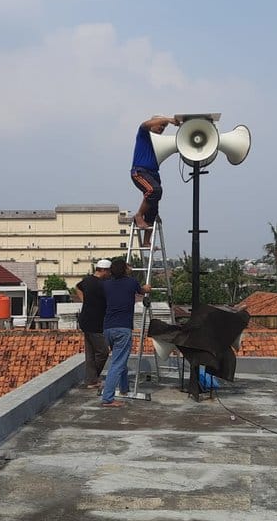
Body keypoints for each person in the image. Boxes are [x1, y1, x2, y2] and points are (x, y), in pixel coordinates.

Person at [99, 258, 151, 407]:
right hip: (123, 328)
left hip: (107, 328)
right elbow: (142, 290)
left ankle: (123, 388)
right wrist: (147, 288)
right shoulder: (131, 282)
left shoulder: (106, 285)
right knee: (117, 363)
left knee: (119, 359)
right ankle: (108, 398)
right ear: (124, 270)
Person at [131, 115, 179, 246]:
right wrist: (168, 120)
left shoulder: (159, 141)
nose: (162, 128)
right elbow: (144, 124)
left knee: (153, 208)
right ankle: (139, 215)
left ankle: (146, 241)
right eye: (160, 125)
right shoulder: (144, 134)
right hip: (140, 171)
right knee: (154, 190)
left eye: (164, 127)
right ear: (153, 123)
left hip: (153, 174)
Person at [74, 259, 112, 388]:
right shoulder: (103, 284)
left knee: (90, 353)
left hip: (85, 320)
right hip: (95, 322)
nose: (110, 274)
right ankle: (92, 378)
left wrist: (84, 301)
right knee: (103, 352)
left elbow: (77, 287)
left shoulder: (88, 280)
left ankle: (91, 381)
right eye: (109, 271)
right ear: (104, 270)